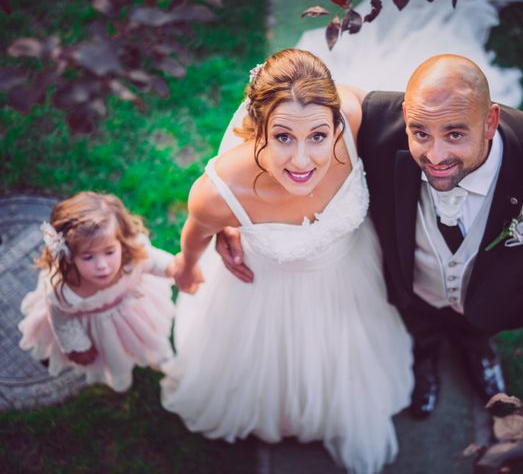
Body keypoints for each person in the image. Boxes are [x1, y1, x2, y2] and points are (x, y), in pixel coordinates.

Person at [217, 54, 523, 421]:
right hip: (411, 285)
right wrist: (236, 214)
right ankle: (424, 360)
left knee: (478, 326)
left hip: (501, 295)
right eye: (420, 133)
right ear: (406, 114)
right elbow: (283, 112)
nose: (435, 156)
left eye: (455, 135)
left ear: (490, 122)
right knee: (420, 328)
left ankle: (478, 349)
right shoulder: (377, 122)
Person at [160, 49, 413, 474]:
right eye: (282, 137)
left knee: (345, 358)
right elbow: (195, 231)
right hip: (264, 293)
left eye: (317, 136)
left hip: (349, 277)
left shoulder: (351, 115)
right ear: (256, 128)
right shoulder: (218, 192)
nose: (302, 161)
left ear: (335, 124)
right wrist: (187, 266)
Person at [18, 191, 176, 393]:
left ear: (122, 241)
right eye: (88, 257)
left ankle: (153, 355)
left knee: (144, 338)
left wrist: (174, 268)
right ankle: (118, 372)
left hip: (133, 312)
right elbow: (61, 319)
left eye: (109, 252)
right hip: (95, 326)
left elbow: (153, 261)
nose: (102, 266)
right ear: (69, 257)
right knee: (113, 353)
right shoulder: (65, 290)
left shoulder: (132, 255)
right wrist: (77, 345)